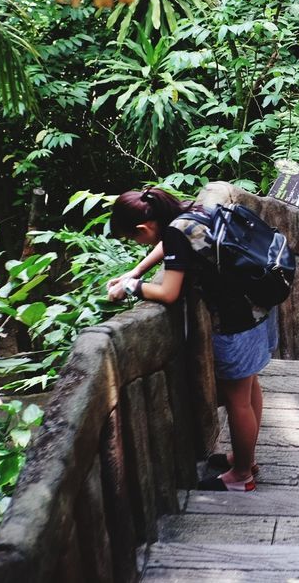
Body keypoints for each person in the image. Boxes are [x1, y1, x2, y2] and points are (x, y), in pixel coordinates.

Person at [107, 188, 274, 492]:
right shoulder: (190, 212)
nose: (139, 244)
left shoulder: (174, 233)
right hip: (257, 303)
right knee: (249, 386)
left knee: (237, 400)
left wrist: (133, 287)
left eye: (135, 238)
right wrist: (137, 270)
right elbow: (169, 244)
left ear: (145, 228)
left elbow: (168, 292)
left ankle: (241, 476)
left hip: (235, 319)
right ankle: (244, 458)